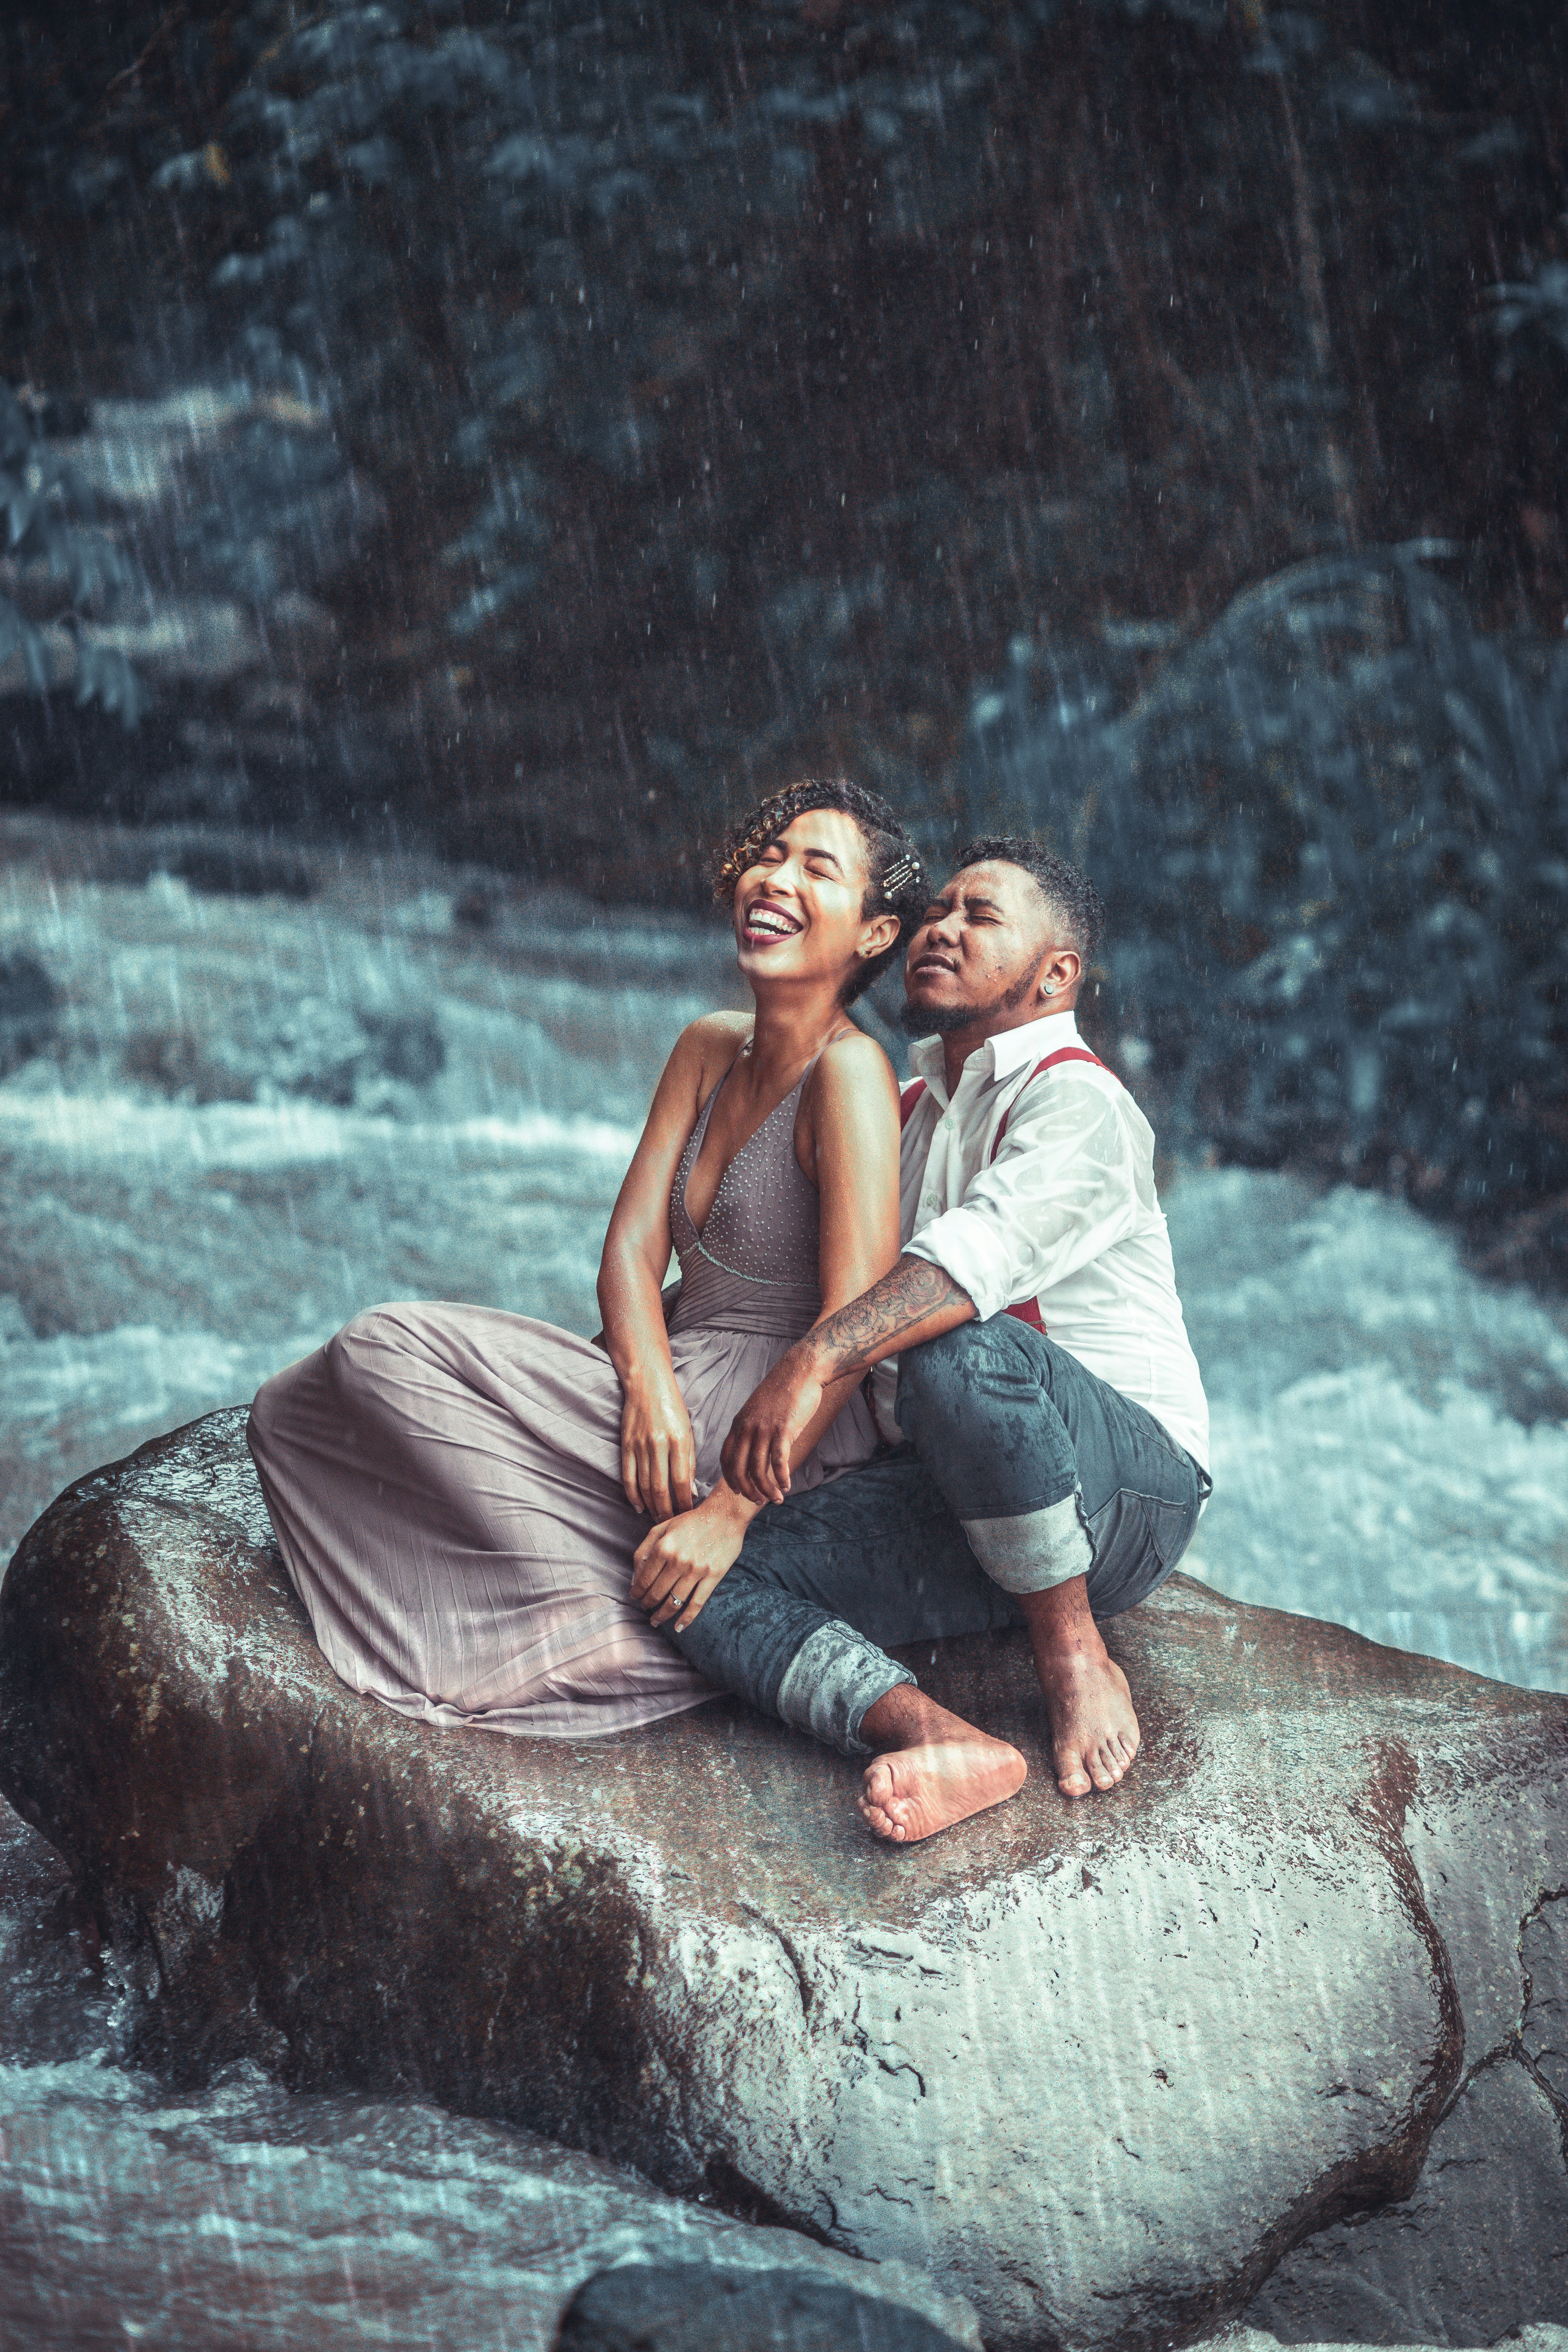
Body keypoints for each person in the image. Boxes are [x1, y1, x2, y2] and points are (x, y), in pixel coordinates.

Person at [247, 780, 974, 1740]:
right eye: (769, 855)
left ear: (874, 935)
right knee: (291, 1412)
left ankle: (621, 1614)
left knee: (381, 1347)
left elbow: (850, 1319)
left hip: (772, 1428)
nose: (774, 878)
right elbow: (631, 1248)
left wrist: (730, 1514)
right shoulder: (707, 1047)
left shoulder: (849, 1071)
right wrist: (648, 1388)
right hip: (667, 1382)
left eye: (816, 868)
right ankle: (605, 1588)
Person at [632, 837, 1210, 1843]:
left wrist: (815, 1359)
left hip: (1125, 1491)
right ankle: (943, 1740)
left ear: (1056, 974)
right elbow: (789, 1280)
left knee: (954, 1343)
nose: (940, 929)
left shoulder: (1080, 1101)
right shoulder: (903, 1109)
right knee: (706, 1580)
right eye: (936, 911)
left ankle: (1074, 1653)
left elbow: (959, 1272)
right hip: (954, 1492)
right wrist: (635, 1355)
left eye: (980, 917)